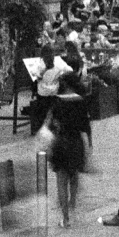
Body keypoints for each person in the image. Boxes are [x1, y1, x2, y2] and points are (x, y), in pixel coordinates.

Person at [45, 74, 87, 228]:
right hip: (76, 142)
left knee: (61, 182)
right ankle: (73, 205)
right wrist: (88, 148)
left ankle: (65, 217)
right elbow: (86, 128)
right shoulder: (81, 101)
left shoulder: (57, 102)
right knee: (74, 177)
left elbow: (50, 126)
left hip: (61, 143)